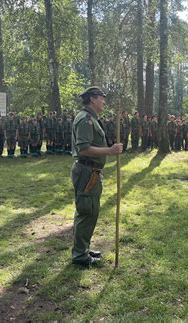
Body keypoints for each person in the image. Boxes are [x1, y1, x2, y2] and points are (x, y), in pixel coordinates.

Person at [71, 86, 123, 267]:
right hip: (87, 171)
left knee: (90, 211)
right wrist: (110, 150)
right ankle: (79, 255)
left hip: (91, 171)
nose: (104, 101)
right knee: (87, 211)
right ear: (92, 99)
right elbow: (83, 148)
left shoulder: (91, 118)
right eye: (102, 98)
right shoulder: (86, 119)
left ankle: (82, 248)